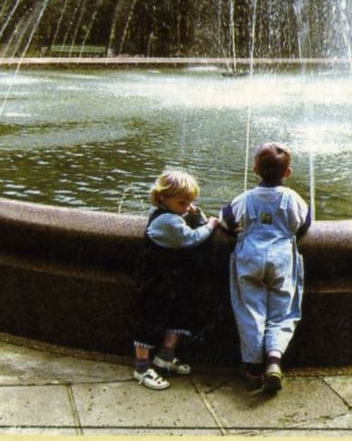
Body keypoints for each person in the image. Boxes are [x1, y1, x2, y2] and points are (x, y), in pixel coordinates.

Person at [219, 143, 312, 393]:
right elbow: (304, 223)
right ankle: (274, 358)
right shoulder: (292, 198)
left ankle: (252, 366)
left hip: (249, 255)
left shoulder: (245, 198)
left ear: (255, 170)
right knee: (283, 307)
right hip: (282, 256)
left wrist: (236, 229)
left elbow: (226, 218)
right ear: (288, 173)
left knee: (249, 307)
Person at [131, 170, 213, 390]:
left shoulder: (169, 213)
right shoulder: (167, 221)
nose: (187, 207)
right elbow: (192, 238)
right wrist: (210, 226)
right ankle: (141, 367)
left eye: (190, 202)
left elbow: (188, 224)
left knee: (178, 316)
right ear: (162, 198)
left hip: (171, 281)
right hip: (156, 281)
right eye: (182, 202)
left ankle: (166, 356)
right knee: (150, 320)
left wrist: (195, 213)